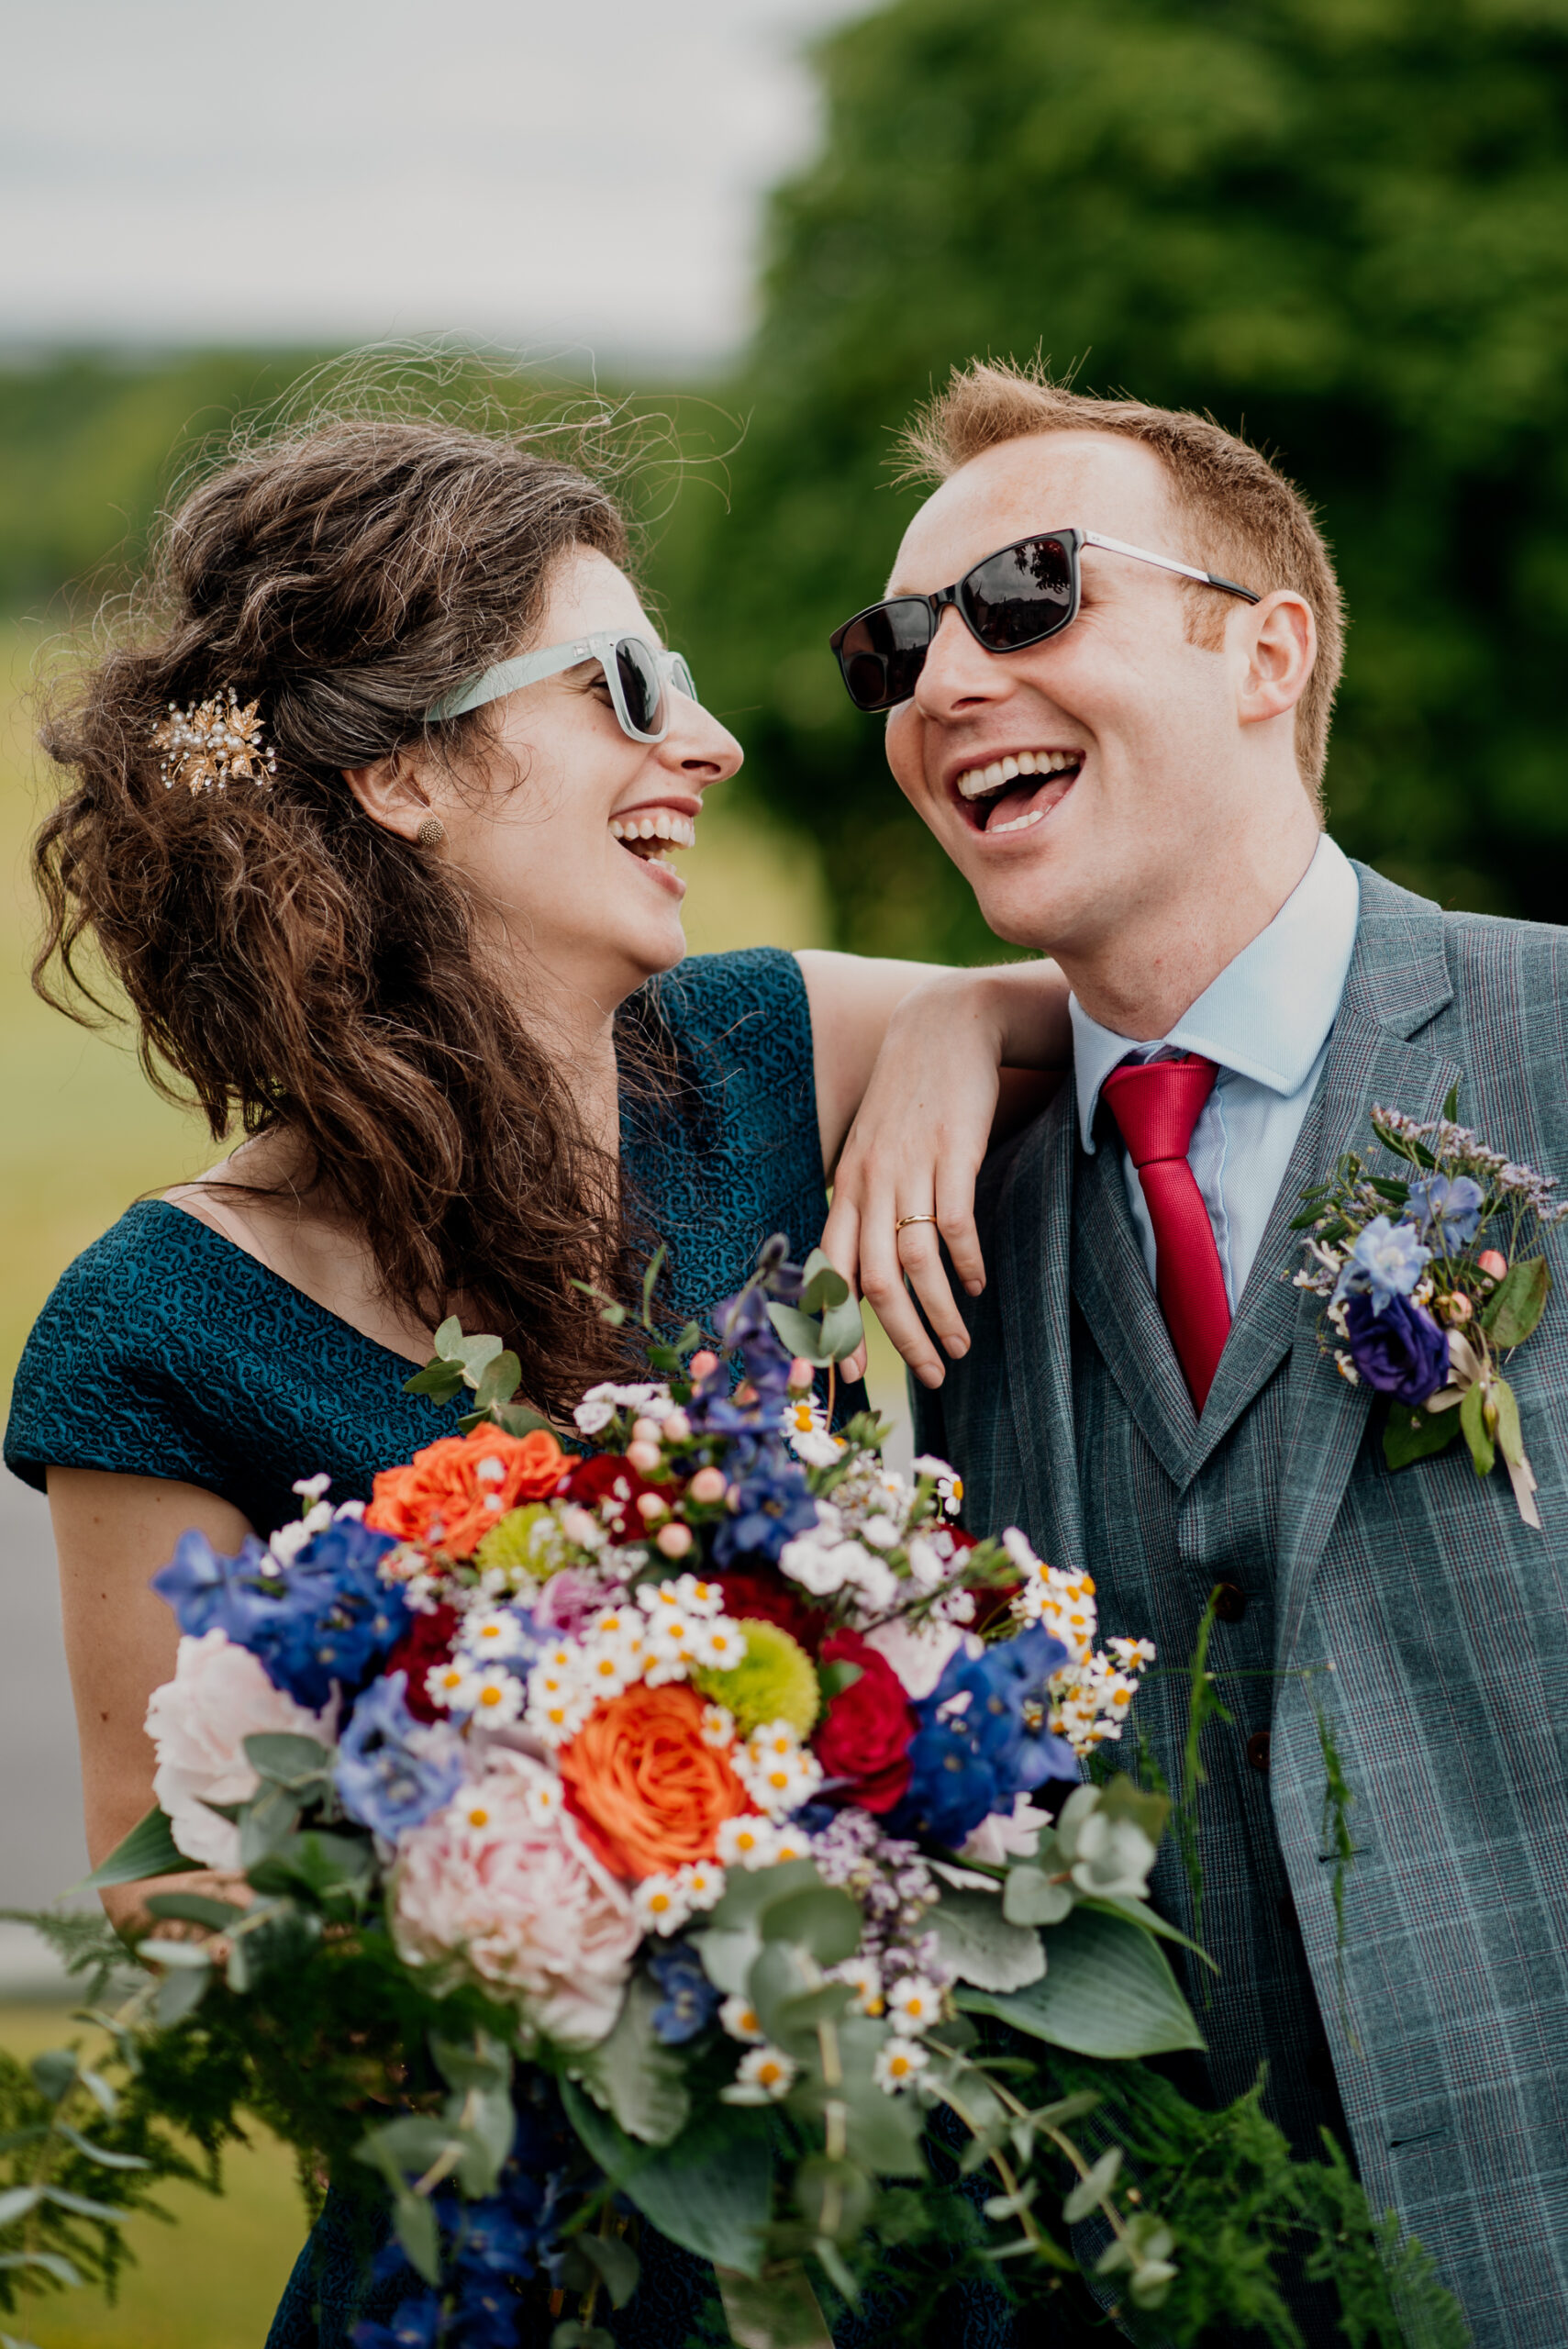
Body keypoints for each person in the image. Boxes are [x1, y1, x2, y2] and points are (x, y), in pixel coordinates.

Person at [2, 411, 1067, 2347]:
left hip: (888, 2236)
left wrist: (969, 1018)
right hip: (499, 2268)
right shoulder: (147, 1328)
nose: (712, 742)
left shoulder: (764, 1046)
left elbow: (1156, 996)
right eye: (625, 686)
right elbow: (179, 1914)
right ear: (404, 769)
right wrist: (561, 1942)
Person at [825, 361, 1568, 2346]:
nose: (942, 682)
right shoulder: (923, 1208)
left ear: (1268, 650)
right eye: (897, 648)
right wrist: (957, 1022)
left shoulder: (1554, 1044)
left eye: (1029, 592)